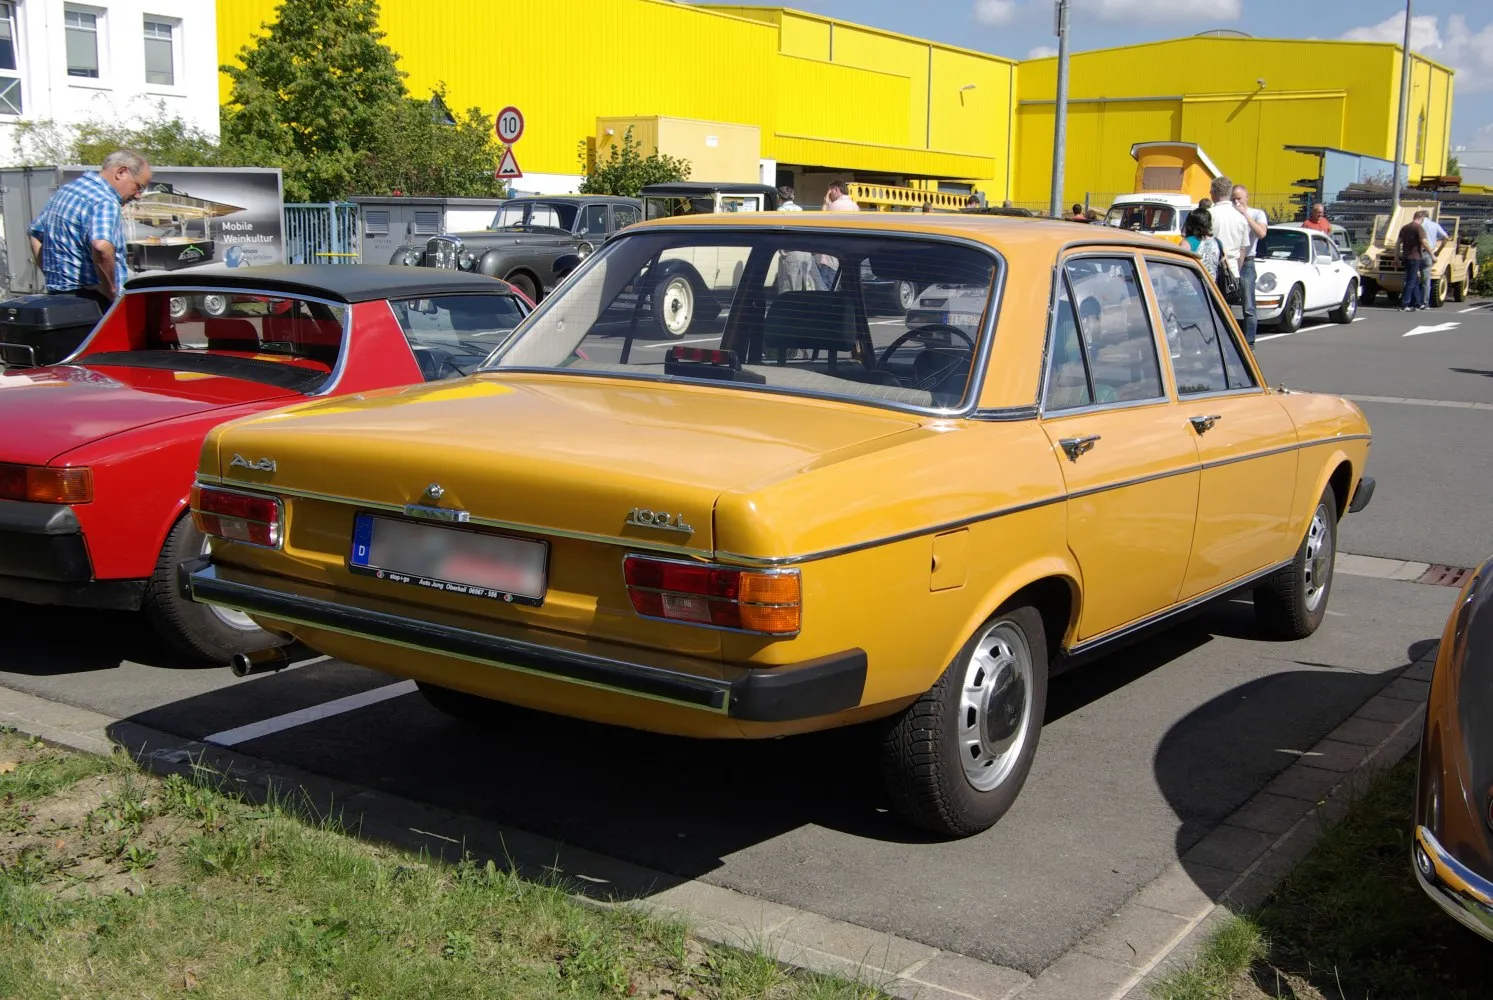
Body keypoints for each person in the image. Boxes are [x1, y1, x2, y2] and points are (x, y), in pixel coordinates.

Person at [27, 149, 152, 309]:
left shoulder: (67, 190)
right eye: (139, 187)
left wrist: (53, 274)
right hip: (92, 301)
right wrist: (111, 291)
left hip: (57, 298)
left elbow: (35, 234)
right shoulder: (105, 200)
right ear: (121, 172)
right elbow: (101, 246)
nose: (138, 195)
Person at [1207, 176, 1249, 338]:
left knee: (1210, 311)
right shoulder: (1240, 218)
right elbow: (1242, 250)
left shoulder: (1209, 214)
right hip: (1231, 270)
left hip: (1209, 270)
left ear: (1215, 193)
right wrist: (1235, 271)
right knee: (1226, 312)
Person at [1231, 185, 1267, 346]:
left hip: (1247, 262)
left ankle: (1249, 342)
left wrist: (1245, 215)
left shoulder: (1256, 213)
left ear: (1246, 198)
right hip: (1230, 260)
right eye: (1233, 198)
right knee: (1225, 301)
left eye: (1239, 198)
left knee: (1248, 305)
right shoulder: (1229, 214)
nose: (1236, 201)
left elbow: (1261, 233)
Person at [775, 186, 816, 291]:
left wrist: (781, 249)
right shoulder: (799, 209)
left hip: (790, 252)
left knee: (789, 287)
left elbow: (781, 231)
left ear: (779, 197)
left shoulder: (781, 210)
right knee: (804, 285)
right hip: (804, 251)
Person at [1397, 214, 1429, 311]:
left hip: (1406, 257)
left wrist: (1396, 257)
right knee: (1411, 281)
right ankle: (1404, 304)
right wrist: (1432, 254)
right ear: (1422, 218)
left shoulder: (1405, 227)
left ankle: (1417, 303)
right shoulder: (1419, 228)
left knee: (1414, 280)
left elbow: (1398, 243)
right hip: (1415, 257)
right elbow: (1424, 242)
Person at [1417, 209, 1448, 307]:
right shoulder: (1435, 225)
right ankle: (1425, 303)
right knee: (1426, 280)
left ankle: (1413, 301)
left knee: (1413, 278)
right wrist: (1439, 251)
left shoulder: (1417, 225)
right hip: (1428, 253)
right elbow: (1446, 237)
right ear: (1429, 216)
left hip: (1416, 252)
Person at [1183, 208, 1222, 284]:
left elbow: (1179, 270)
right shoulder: (1218, 242)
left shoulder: (1187, 243)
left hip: (1191, 287)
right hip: (1211, 288)